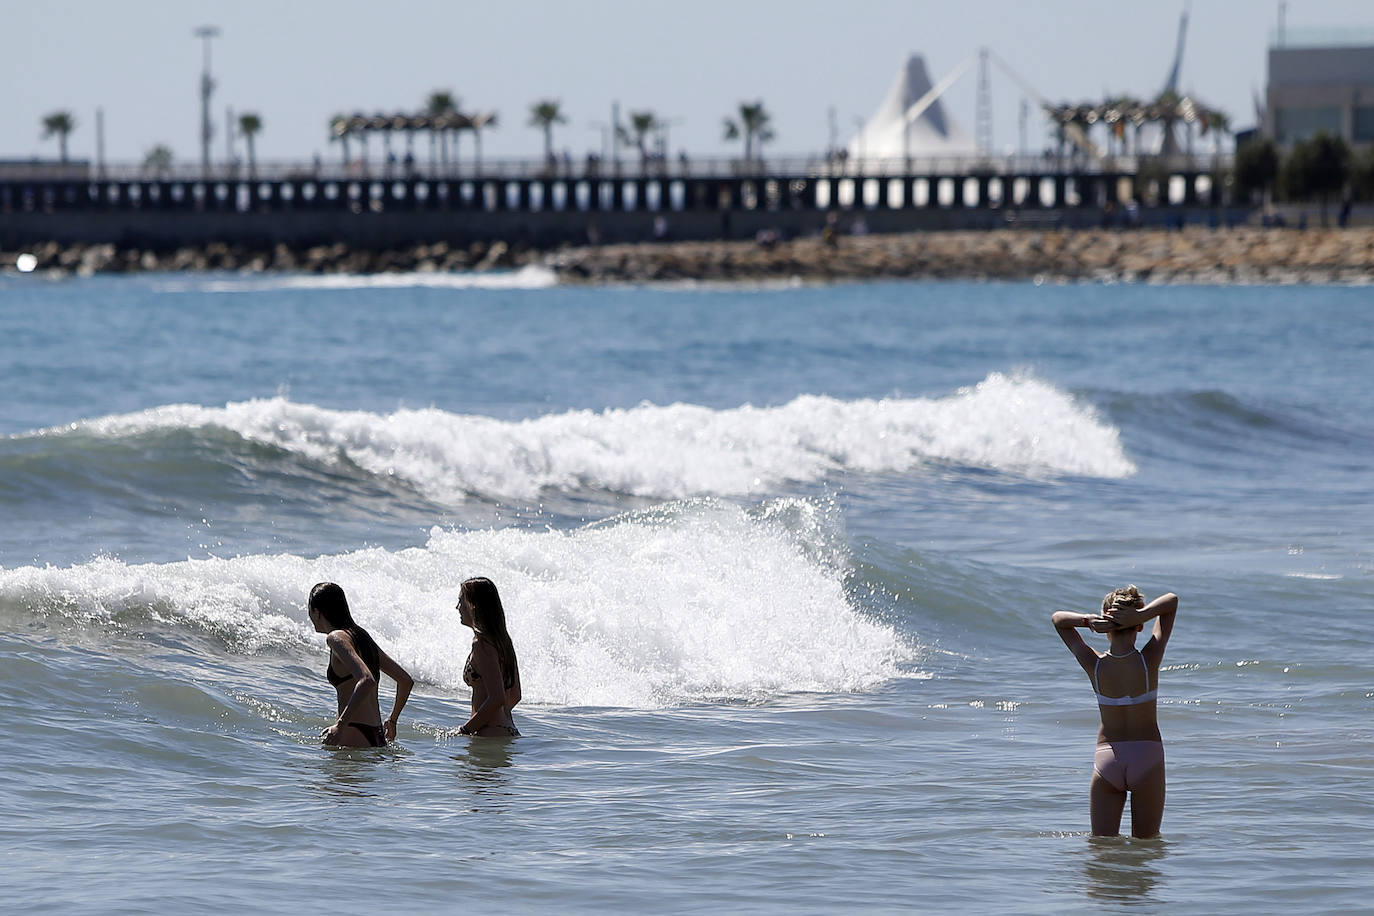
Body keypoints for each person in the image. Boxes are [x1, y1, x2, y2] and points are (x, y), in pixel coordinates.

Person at [1052, 585, 1179, 838]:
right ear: (1139, 626)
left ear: (1105, 625)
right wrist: (1143, 615)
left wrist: (1088, 621)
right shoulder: (1148, 660)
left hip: (1107, 758)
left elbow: (1058, 620)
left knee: (1101, 848)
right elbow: (1171, 601)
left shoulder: (1094, 664)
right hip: (1147, 757)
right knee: (1146, 847)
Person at [308, 581, 414, 748]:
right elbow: (405, 680)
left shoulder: (335, 638)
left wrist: (340, 726)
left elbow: (366, 680)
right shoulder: (362, 637)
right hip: (376, 735)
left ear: (317, 611)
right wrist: (392, 720)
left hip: (352, 732)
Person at [455, 577, 522, 737]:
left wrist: (465, 730)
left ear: (473, 605)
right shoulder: (503, 642)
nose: (457, 607)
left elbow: (497, 698)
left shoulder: (481, 644)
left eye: (461, 601)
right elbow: (515, 695)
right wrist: (499, 720)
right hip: (508, 731)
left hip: (490, 734)